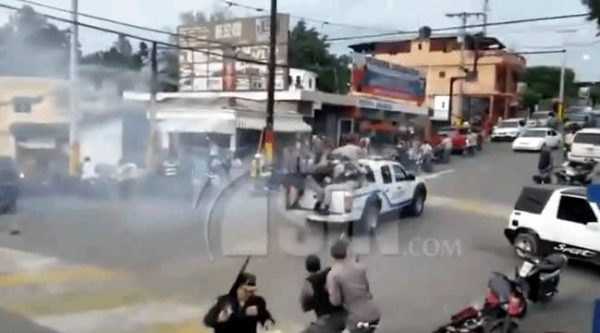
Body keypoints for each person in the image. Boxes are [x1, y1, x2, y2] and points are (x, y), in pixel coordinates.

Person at [327, 240, 380, 333]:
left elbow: (335, 301)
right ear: (346, 252)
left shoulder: (333, 275)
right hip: (374, 314)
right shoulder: (360, 267)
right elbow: (367, 289)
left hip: (356, 319)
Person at [204, 272, 275, 333]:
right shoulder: (223, 301)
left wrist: (267, 321)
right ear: (238, 288)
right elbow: (207, 320)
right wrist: (218, 319)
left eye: (251, 291)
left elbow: (264, 314)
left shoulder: (256, 301)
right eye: (246, 290)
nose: (249, 293)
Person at [301, 255, 347, 333]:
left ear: (307, 267)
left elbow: (305, 307)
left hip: (327, 322)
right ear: (319, 265)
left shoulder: (310, 282)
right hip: (344, 317)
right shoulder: (330, 273)